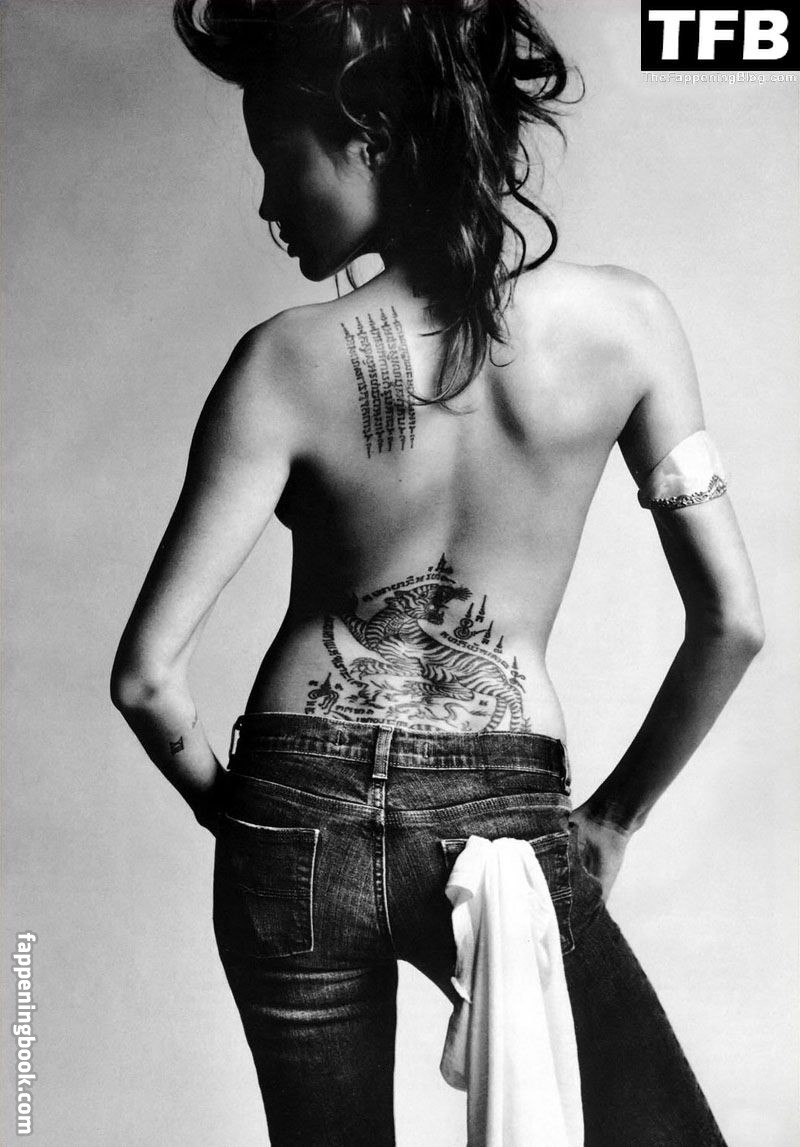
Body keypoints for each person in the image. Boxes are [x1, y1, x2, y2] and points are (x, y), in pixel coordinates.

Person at [110, 1, 764, 1143]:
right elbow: (732, 623)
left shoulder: (280, 362)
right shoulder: (629, 325)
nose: (266, 203)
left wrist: (257, 825)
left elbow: (148, 680)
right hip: (504, 804)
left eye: (277, 159)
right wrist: (611, 820)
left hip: (295, 799)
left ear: (368, 136)